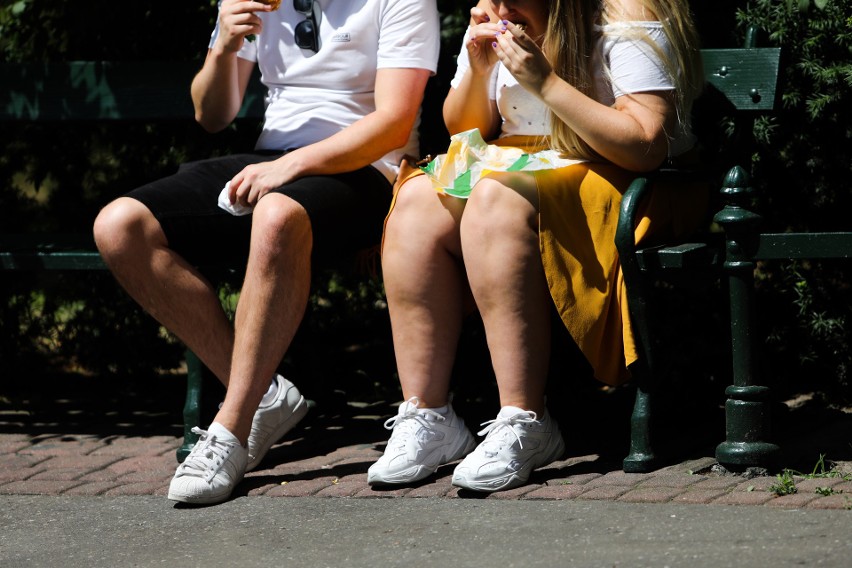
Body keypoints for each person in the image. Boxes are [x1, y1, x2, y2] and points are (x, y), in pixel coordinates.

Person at [92, 0, 439, 505]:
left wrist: (292, 167)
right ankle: (267, 397)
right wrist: (226, 45)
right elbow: (211, 115)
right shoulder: (256, 0)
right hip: (273, 164)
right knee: (120, 226)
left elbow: (393, 122)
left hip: (370, 170)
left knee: (275, 213)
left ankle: (229, 430)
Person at [368, 0, 705, 492]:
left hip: (623, 175)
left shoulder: (624, 12)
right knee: (417, 202)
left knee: (495, 198)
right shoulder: (499, 11)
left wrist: (544, 82)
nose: (500, 9)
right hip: (529, 165)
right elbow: (465, 128)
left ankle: (525, 419)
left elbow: (645, 142)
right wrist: (479, 74)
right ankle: (428, 414)